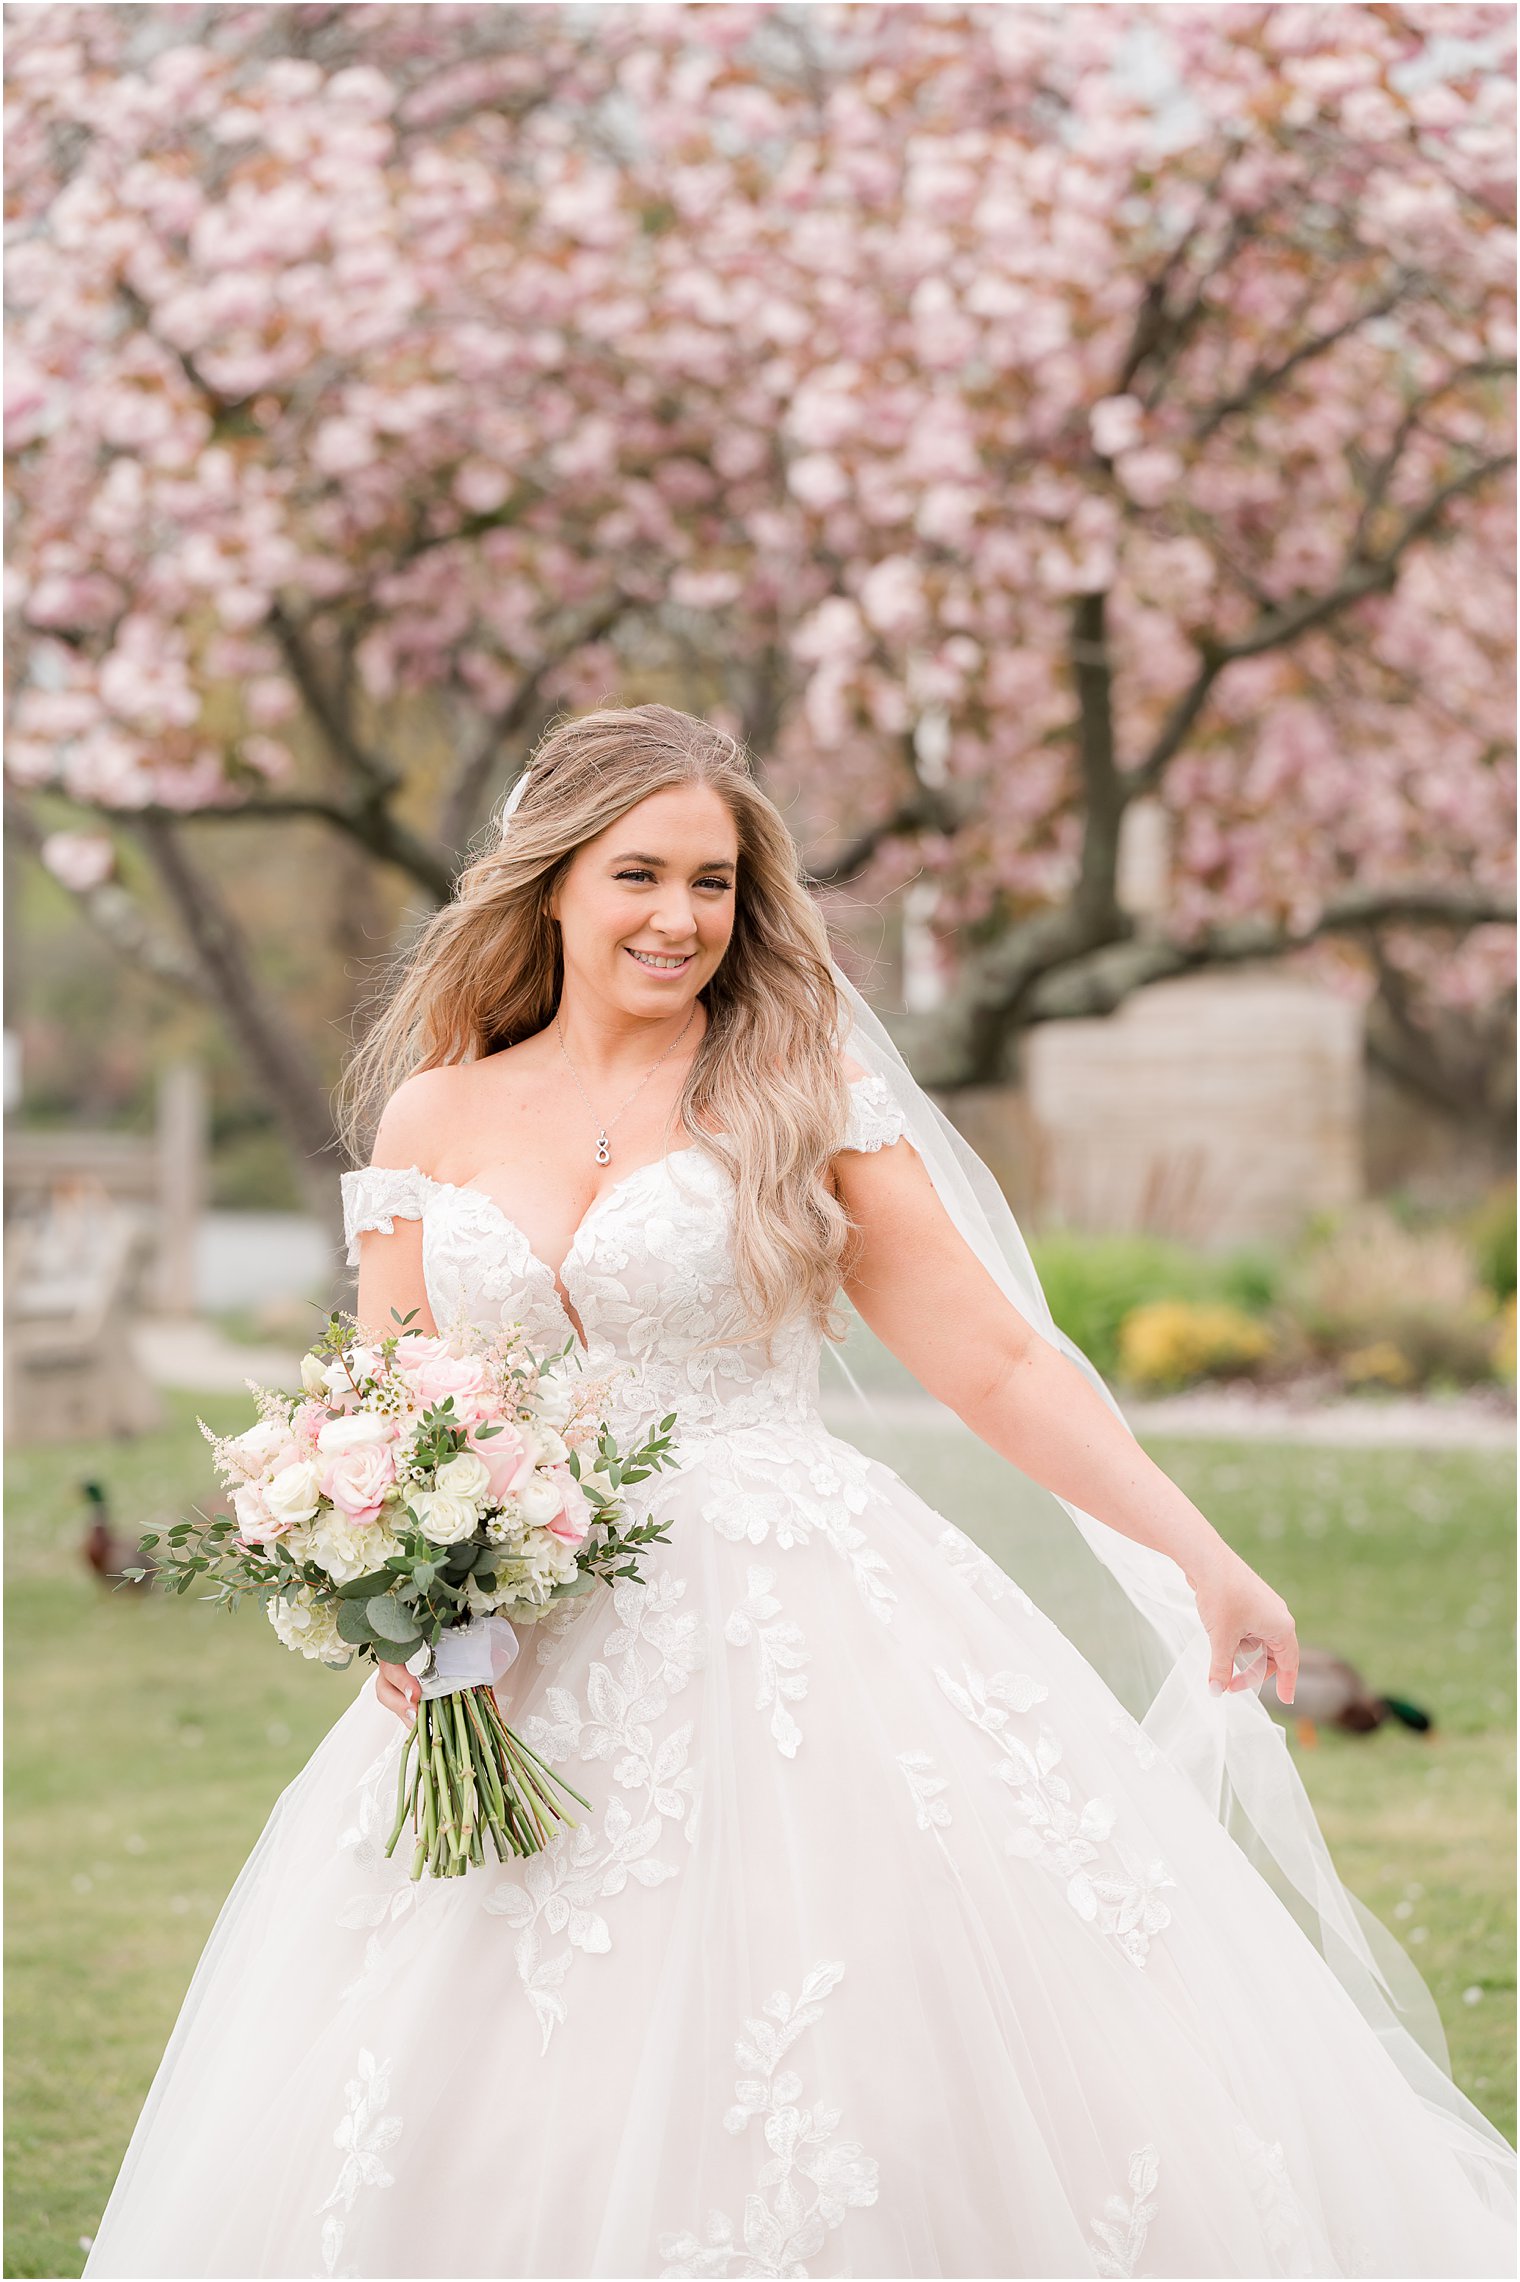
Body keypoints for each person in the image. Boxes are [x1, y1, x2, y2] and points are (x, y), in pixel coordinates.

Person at [84, 704, 1515, 2279]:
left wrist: (1198, 1556)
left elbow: (998, 1363)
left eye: (714, 882)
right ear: (552, 882)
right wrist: (384, 1582)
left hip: (786, 1624)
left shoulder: (794, 1087)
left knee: (824, 2038)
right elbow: (386, 1391)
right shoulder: (440, 1110)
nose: (680, 918)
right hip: (508, 1643)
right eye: (639, 874)